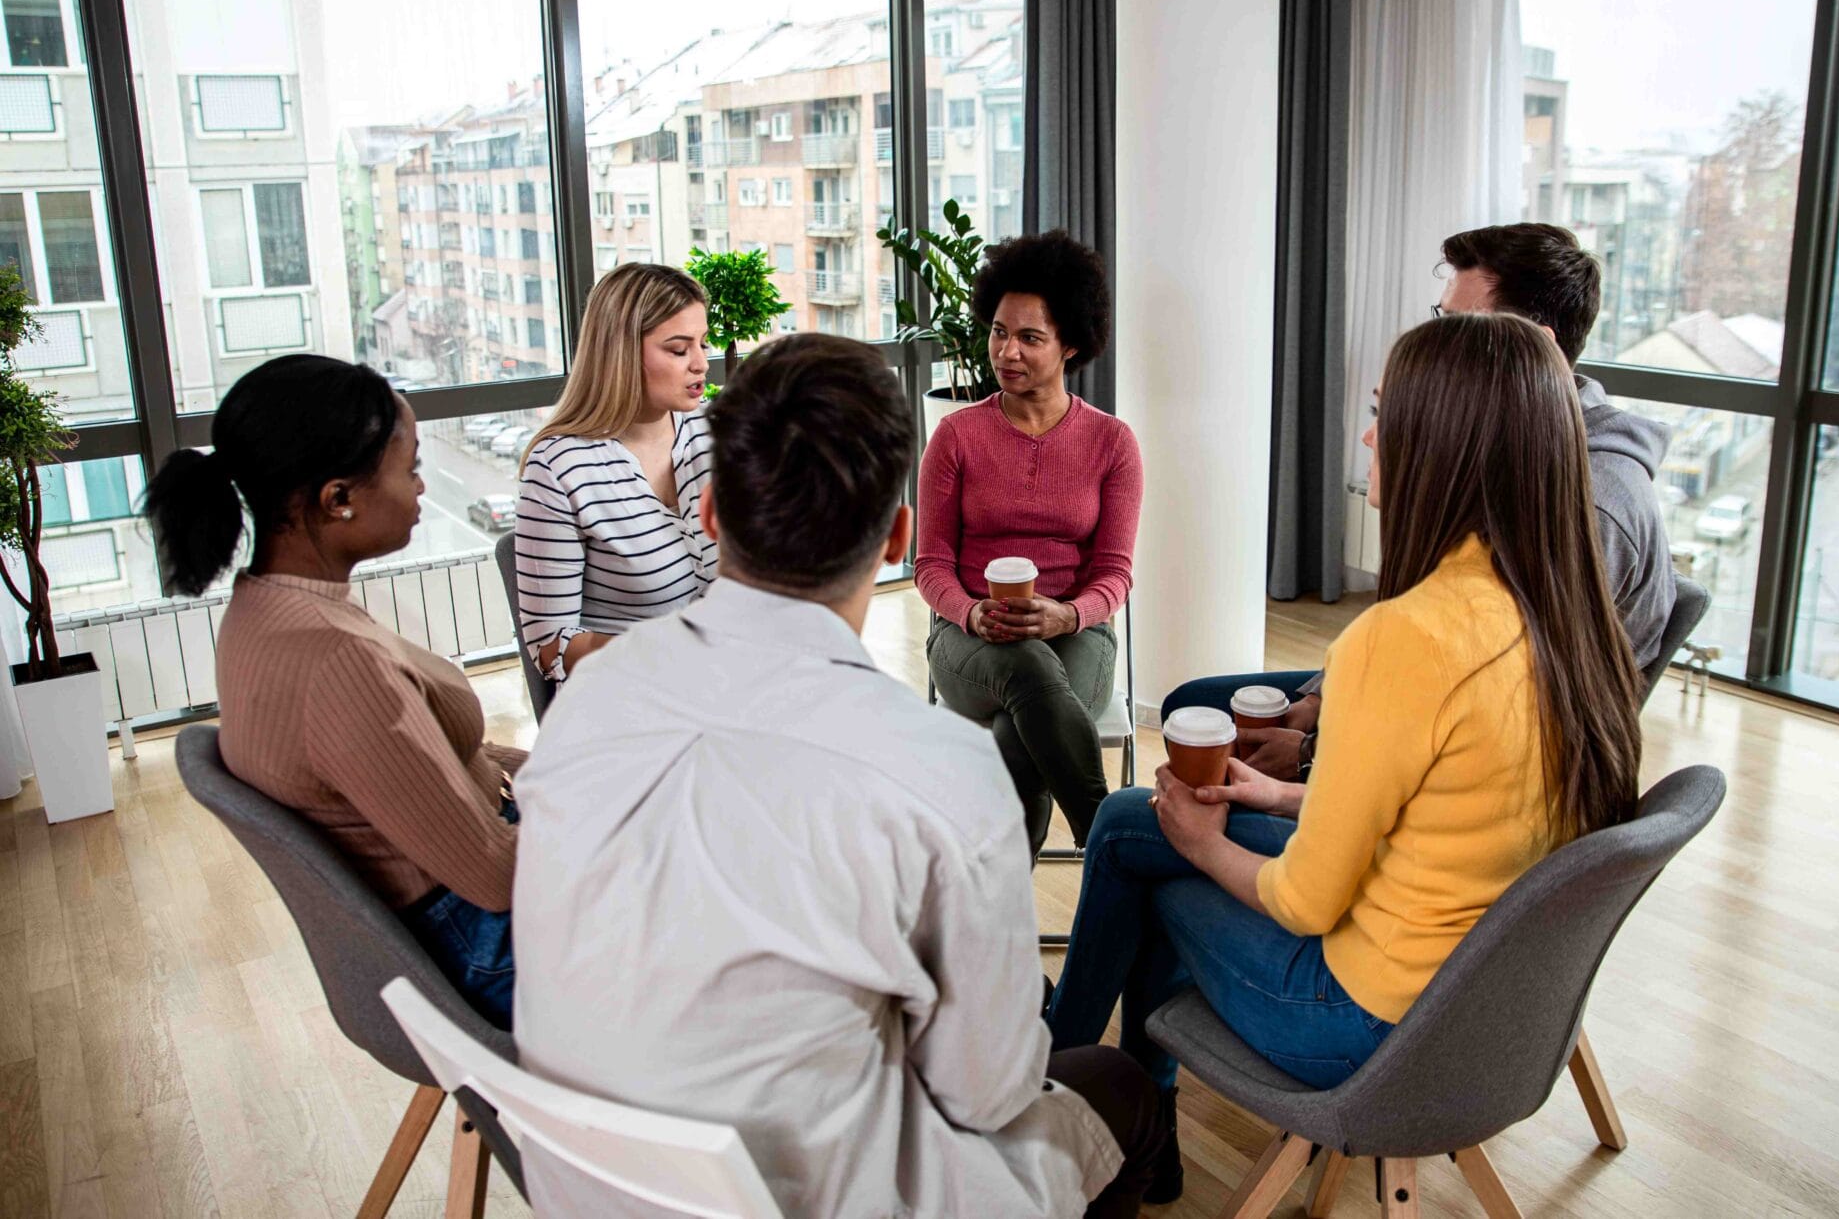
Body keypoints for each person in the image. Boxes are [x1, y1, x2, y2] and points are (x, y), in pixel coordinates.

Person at [511, 333, 1167, 1218]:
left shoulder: (586, 701)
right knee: (1121, 1088)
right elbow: (987, 1094)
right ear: (898, 537)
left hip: (592, 1184)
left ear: (710, 515)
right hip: (812, 1199)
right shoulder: (940, 772)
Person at [1047, 314, 1645, 1202]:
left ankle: (1082, 1095)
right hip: (1486, 1015)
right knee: (1137, 821)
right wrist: (1284, 800)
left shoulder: (1407, 638)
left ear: (1442, 445)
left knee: (1154, 857)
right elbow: (1453, 811)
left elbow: (1306, 901)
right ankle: (1108, 1106)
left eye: (1380, 414)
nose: (1368, 439)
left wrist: (1204, 846)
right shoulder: (1575, 619)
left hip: (1366, 1024)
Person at [1167, 222, 1674, 781]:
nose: (1436, 344)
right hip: (1435, 718)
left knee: (1139, 815)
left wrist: (1312, 754)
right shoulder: (1506, 444)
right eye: (1440, 319)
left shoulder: (1589, 504)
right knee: (1192, 705)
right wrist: (1318, 701)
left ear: (1534, 347)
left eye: (1458, 326)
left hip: (1501, 774)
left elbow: (1490, 711)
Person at [143, 356, 522, 1027]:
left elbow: (416, 764)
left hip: (458, 914)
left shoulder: (268, 610)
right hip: (492, 949)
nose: (420, 486)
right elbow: (493, 877)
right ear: (337, 497)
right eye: (409, 469)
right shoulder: (336, 662)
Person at [917, 230, 1143, 853]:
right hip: (967, 639)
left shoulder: (1112, 443)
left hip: (1077, 635)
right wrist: (971, 612)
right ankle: (1112, 841)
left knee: (1021, 732)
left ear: (1070, 344)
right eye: (998, 332)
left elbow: (1115, 574)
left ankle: (1002, 892)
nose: (1006, 351)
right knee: (1028, 672)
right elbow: (930, 565)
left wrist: (1067, 614)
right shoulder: (956, 437)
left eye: (1029, 338)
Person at [513, 262, 718, 684]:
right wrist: (661, 650)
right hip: (627, 695)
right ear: (621, 353)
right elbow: (549, 648)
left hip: (720, 686)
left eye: (703, 343)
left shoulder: (718, 432)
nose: (701, 363)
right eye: (679, 350)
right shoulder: (559, 468)